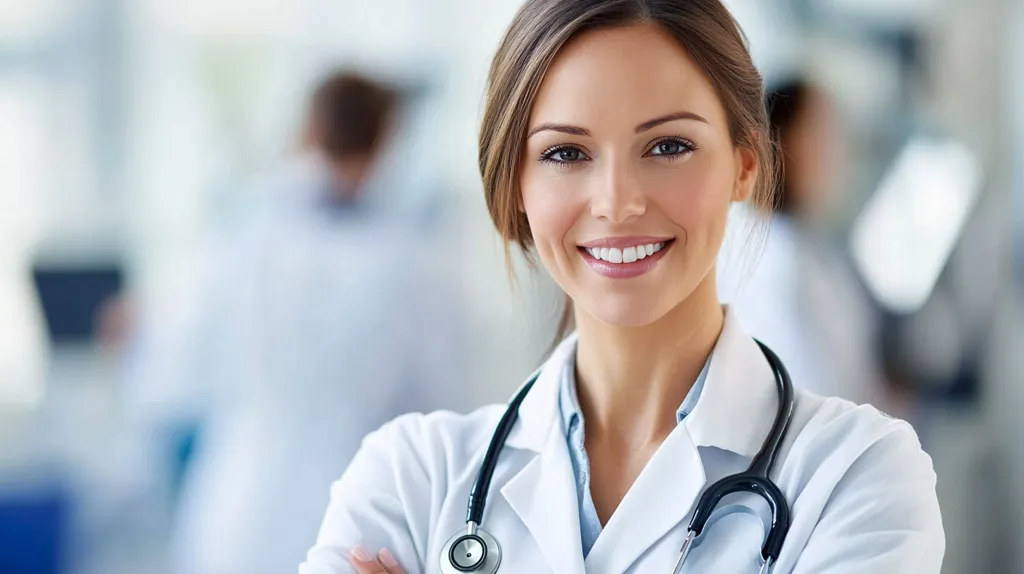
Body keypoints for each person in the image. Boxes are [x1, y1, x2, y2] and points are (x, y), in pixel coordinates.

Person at [299, 2, 944, 573]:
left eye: (667, 146)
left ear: (745, 163)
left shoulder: (859, 476)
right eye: (565, 153)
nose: (615, 202)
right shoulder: (410, 477)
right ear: (516, 183)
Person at [125, 71, 470, 574]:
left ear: (308, 127)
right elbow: (442, 405)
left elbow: (174, 372)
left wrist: (136, 338)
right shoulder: (412, 260)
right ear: (386, 138)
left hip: (239, 503)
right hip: (356, 509)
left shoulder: (242, 234)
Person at [722, 78, 894, 409]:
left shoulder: (809, 249)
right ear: (785, 141)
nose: (838, 154)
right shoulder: (772, 260)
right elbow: (816, 392)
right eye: (822, 136)